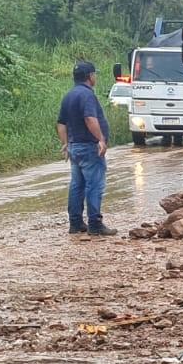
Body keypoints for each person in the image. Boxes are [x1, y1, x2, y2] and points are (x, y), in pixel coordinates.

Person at [56, 61, 117, 236]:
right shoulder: (87, 95)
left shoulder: (69, 96)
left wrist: (66, 143)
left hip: (75, 147)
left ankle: (75, 224)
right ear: (90, 76)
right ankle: (95, 224)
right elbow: (90, 119)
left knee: (77, 185)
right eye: (94, 75)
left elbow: (61, 123)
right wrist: (101, 140)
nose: (95, 77)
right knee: (94, 185)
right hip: (89, 147)